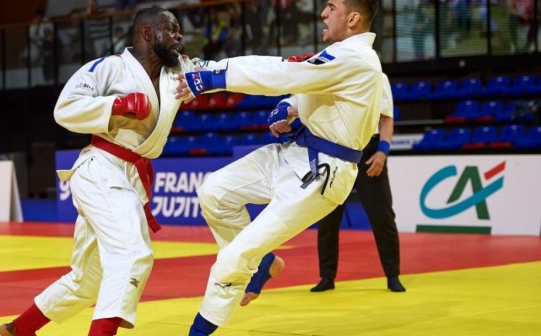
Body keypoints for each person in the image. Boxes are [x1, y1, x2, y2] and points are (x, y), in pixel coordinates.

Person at [174, 0, 383, 334]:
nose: (323, 14)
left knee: (233, 258)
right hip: (293, 153)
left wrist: (213, 75)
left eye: (331, 7)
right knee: (213, 191)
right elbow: (307, 86)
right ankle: (265, 263)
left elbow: (286, 71)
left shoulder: (356, 57)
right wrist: (288, 105)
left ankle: (199, 330)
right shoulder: (342, 57)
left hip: (321, 173)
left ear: (354, 17)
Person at [0, 6, 200, 336]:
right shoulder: (108, 68)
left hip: (129, 176)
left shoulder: (178, 72)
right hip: (101, 168)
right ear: (147, 34)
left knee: (88, 279)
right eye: (172, 30)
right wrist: (115, 105)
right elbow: (65, 109)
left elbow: (226, 71)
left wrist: (299, 70)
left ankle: (19, 329)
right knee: (132, 253)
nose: (180, 36)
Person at [310, 73, 406, 293]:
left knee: (382, 215)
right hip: (335, 149)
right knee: (327, 217)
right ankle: (327, 276)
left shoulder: (377, 77)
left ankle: (393, 275)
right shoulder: (332, 75)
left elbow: (386, 118)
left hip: (369, 151)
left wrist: (383, 151)